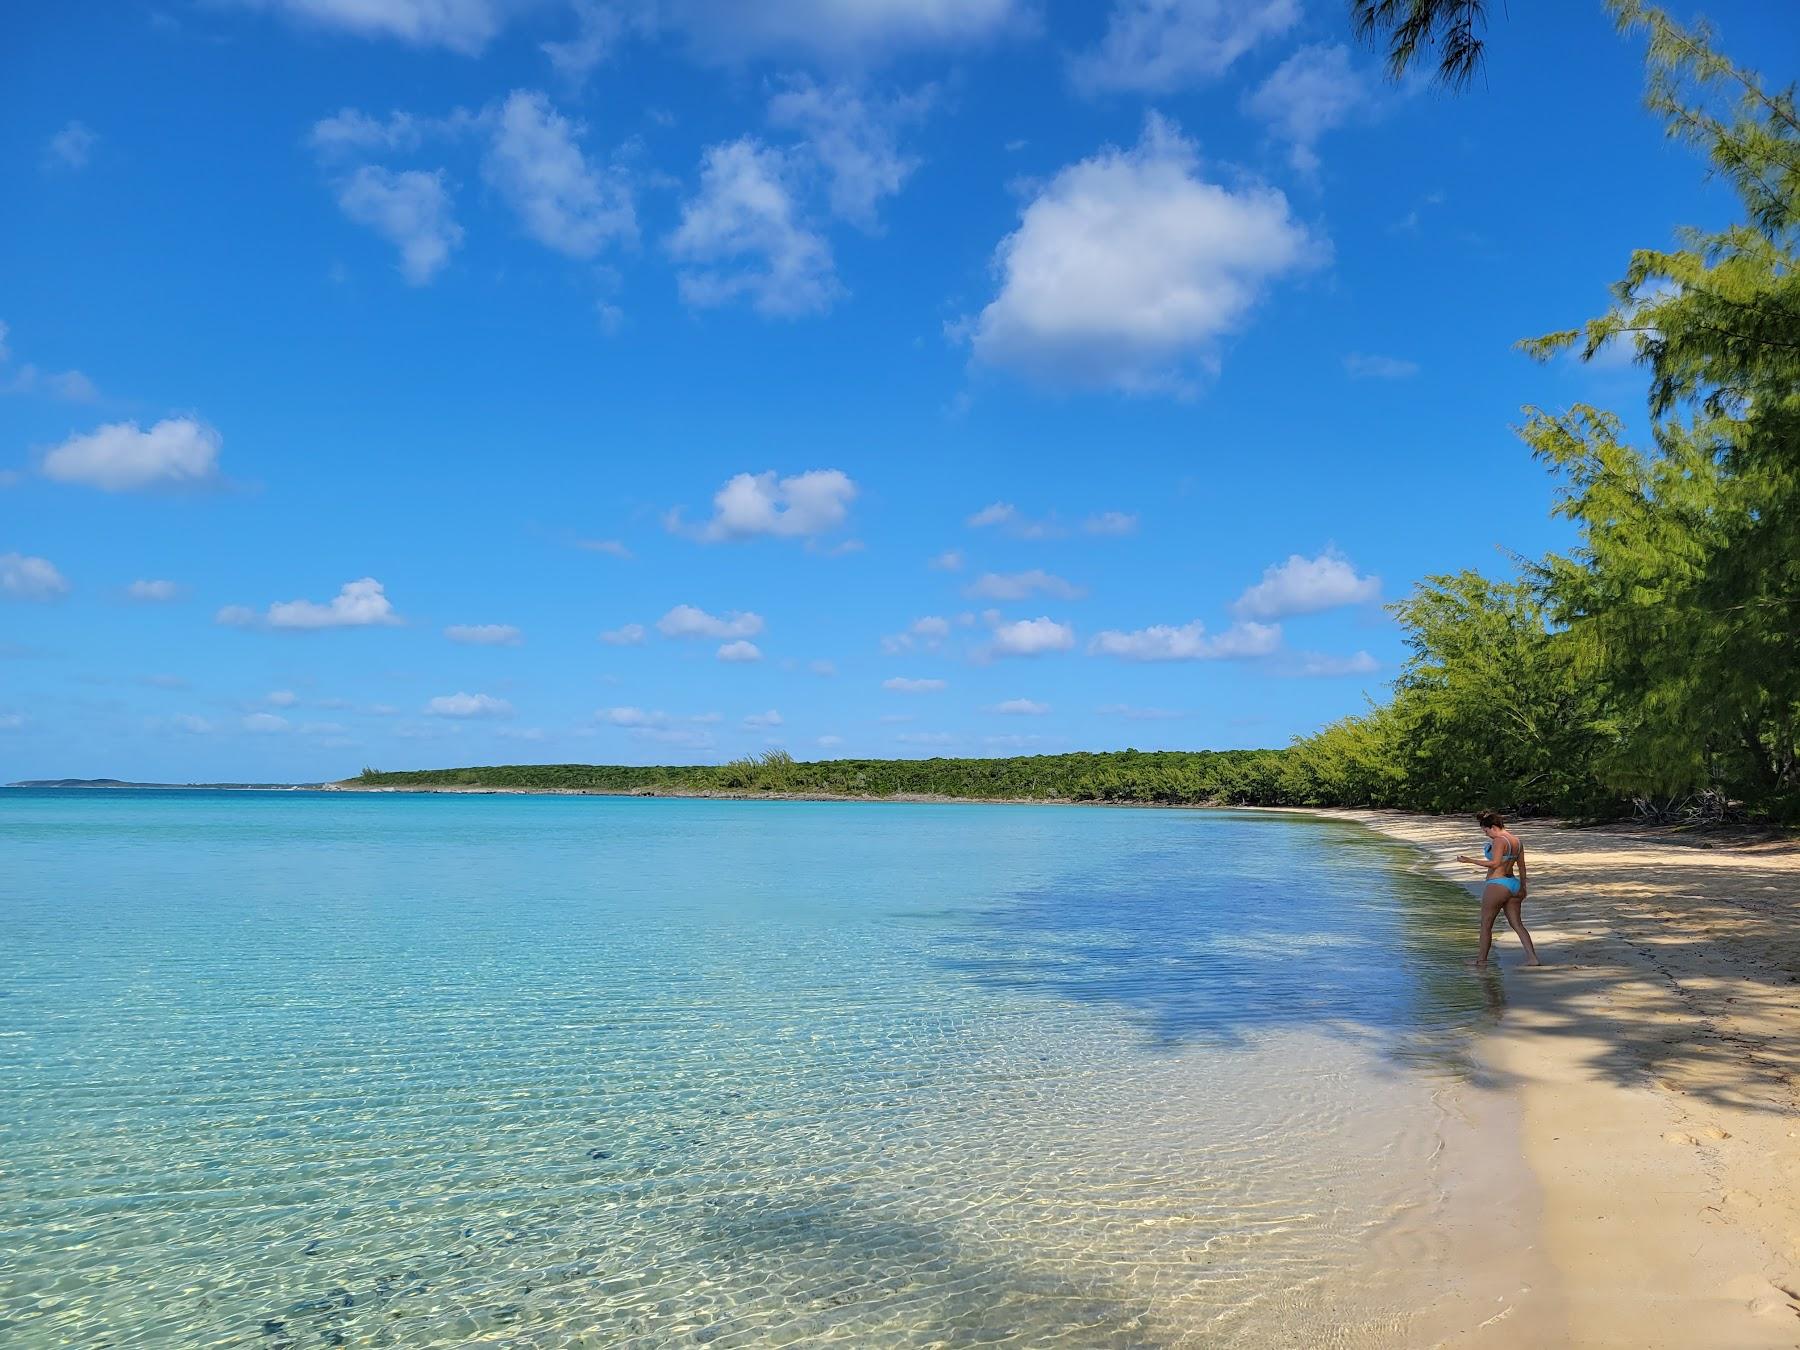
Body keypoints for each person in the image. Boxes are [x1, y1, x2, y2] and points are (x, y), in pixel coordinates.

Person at [1455, 810, 1542, 968]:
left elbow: (1495, 864)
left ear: (1494, 827)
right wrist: (1523, 887)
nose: (1486, 834)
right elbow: (1522, 866)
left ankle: (1481, 961)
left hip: (1497, 883)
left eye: (1486, 831)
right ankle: (1532, 958)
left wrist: (1469, 860)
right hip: (1513, 884)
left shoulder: (1499, 841)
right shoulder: (1517, 841)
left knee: (1486, 923)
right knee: (1517, 924)